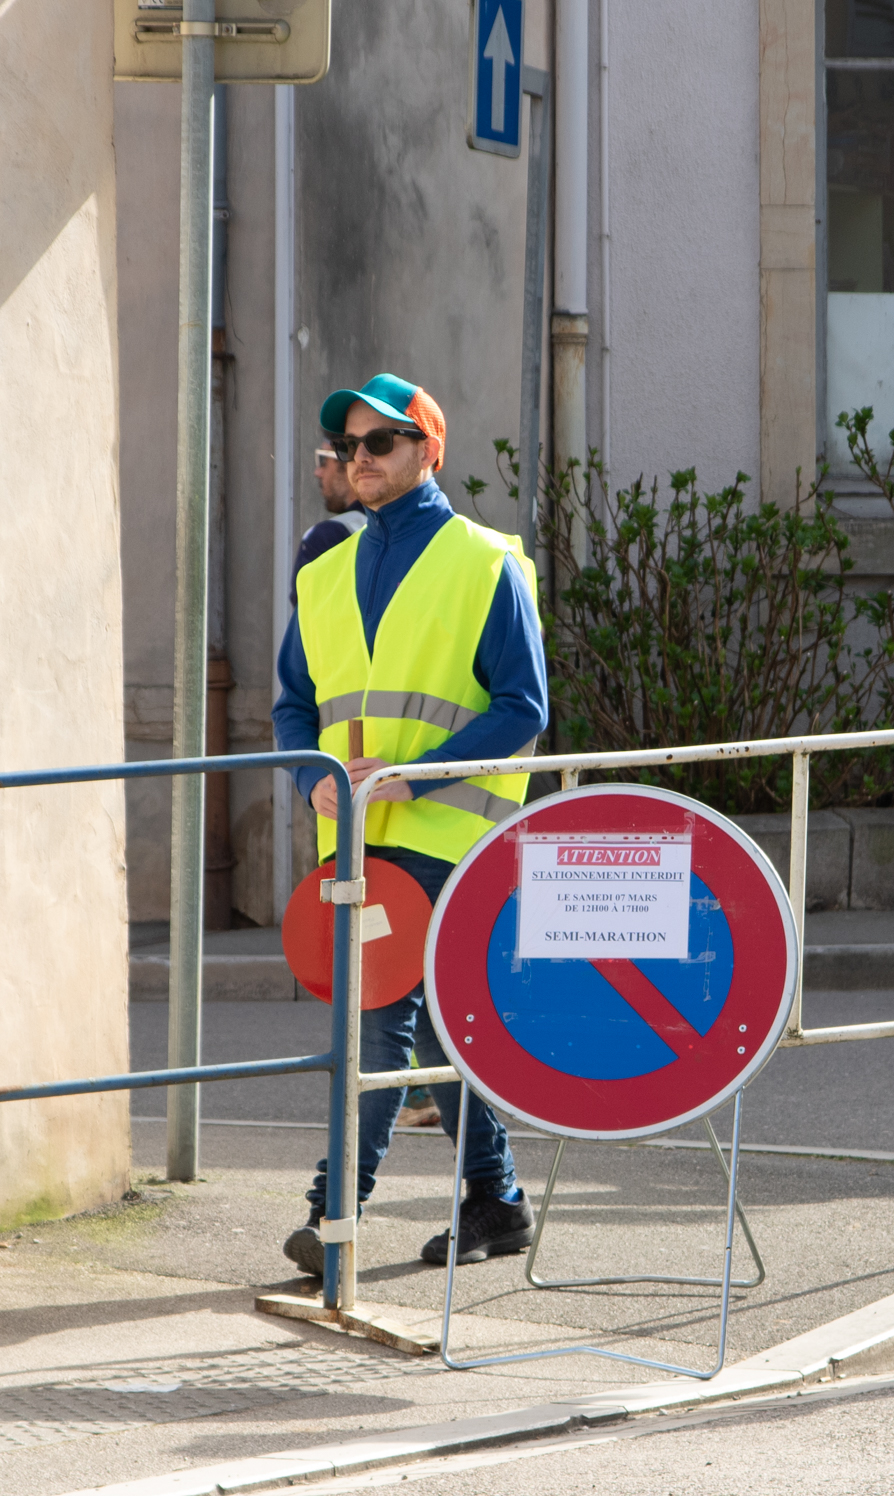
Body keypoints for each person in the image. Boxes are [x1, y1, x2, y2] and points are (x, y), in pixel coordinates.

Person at [272, 372, 549, 1277]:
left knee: (382, 1022)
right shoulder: (324, 574)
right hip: (352, 841)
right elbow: (293, 708)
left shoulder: (485, 561)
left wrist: (410, 776)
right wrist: (309, 776)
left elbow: (524, 707)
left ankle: (334, 1214)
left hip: (446, 837)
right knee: (430, 1032)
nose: (359, 458)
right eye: (347, 446)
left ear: (428, 450)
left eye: (380, 442)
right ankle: (497, 1200)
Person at [288, 445, 366, 606]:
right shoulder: (408, 530)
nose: (317, 472)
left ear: (350, 464)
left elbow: (305, 617)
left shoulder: (326, 537)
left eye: (323, 460)